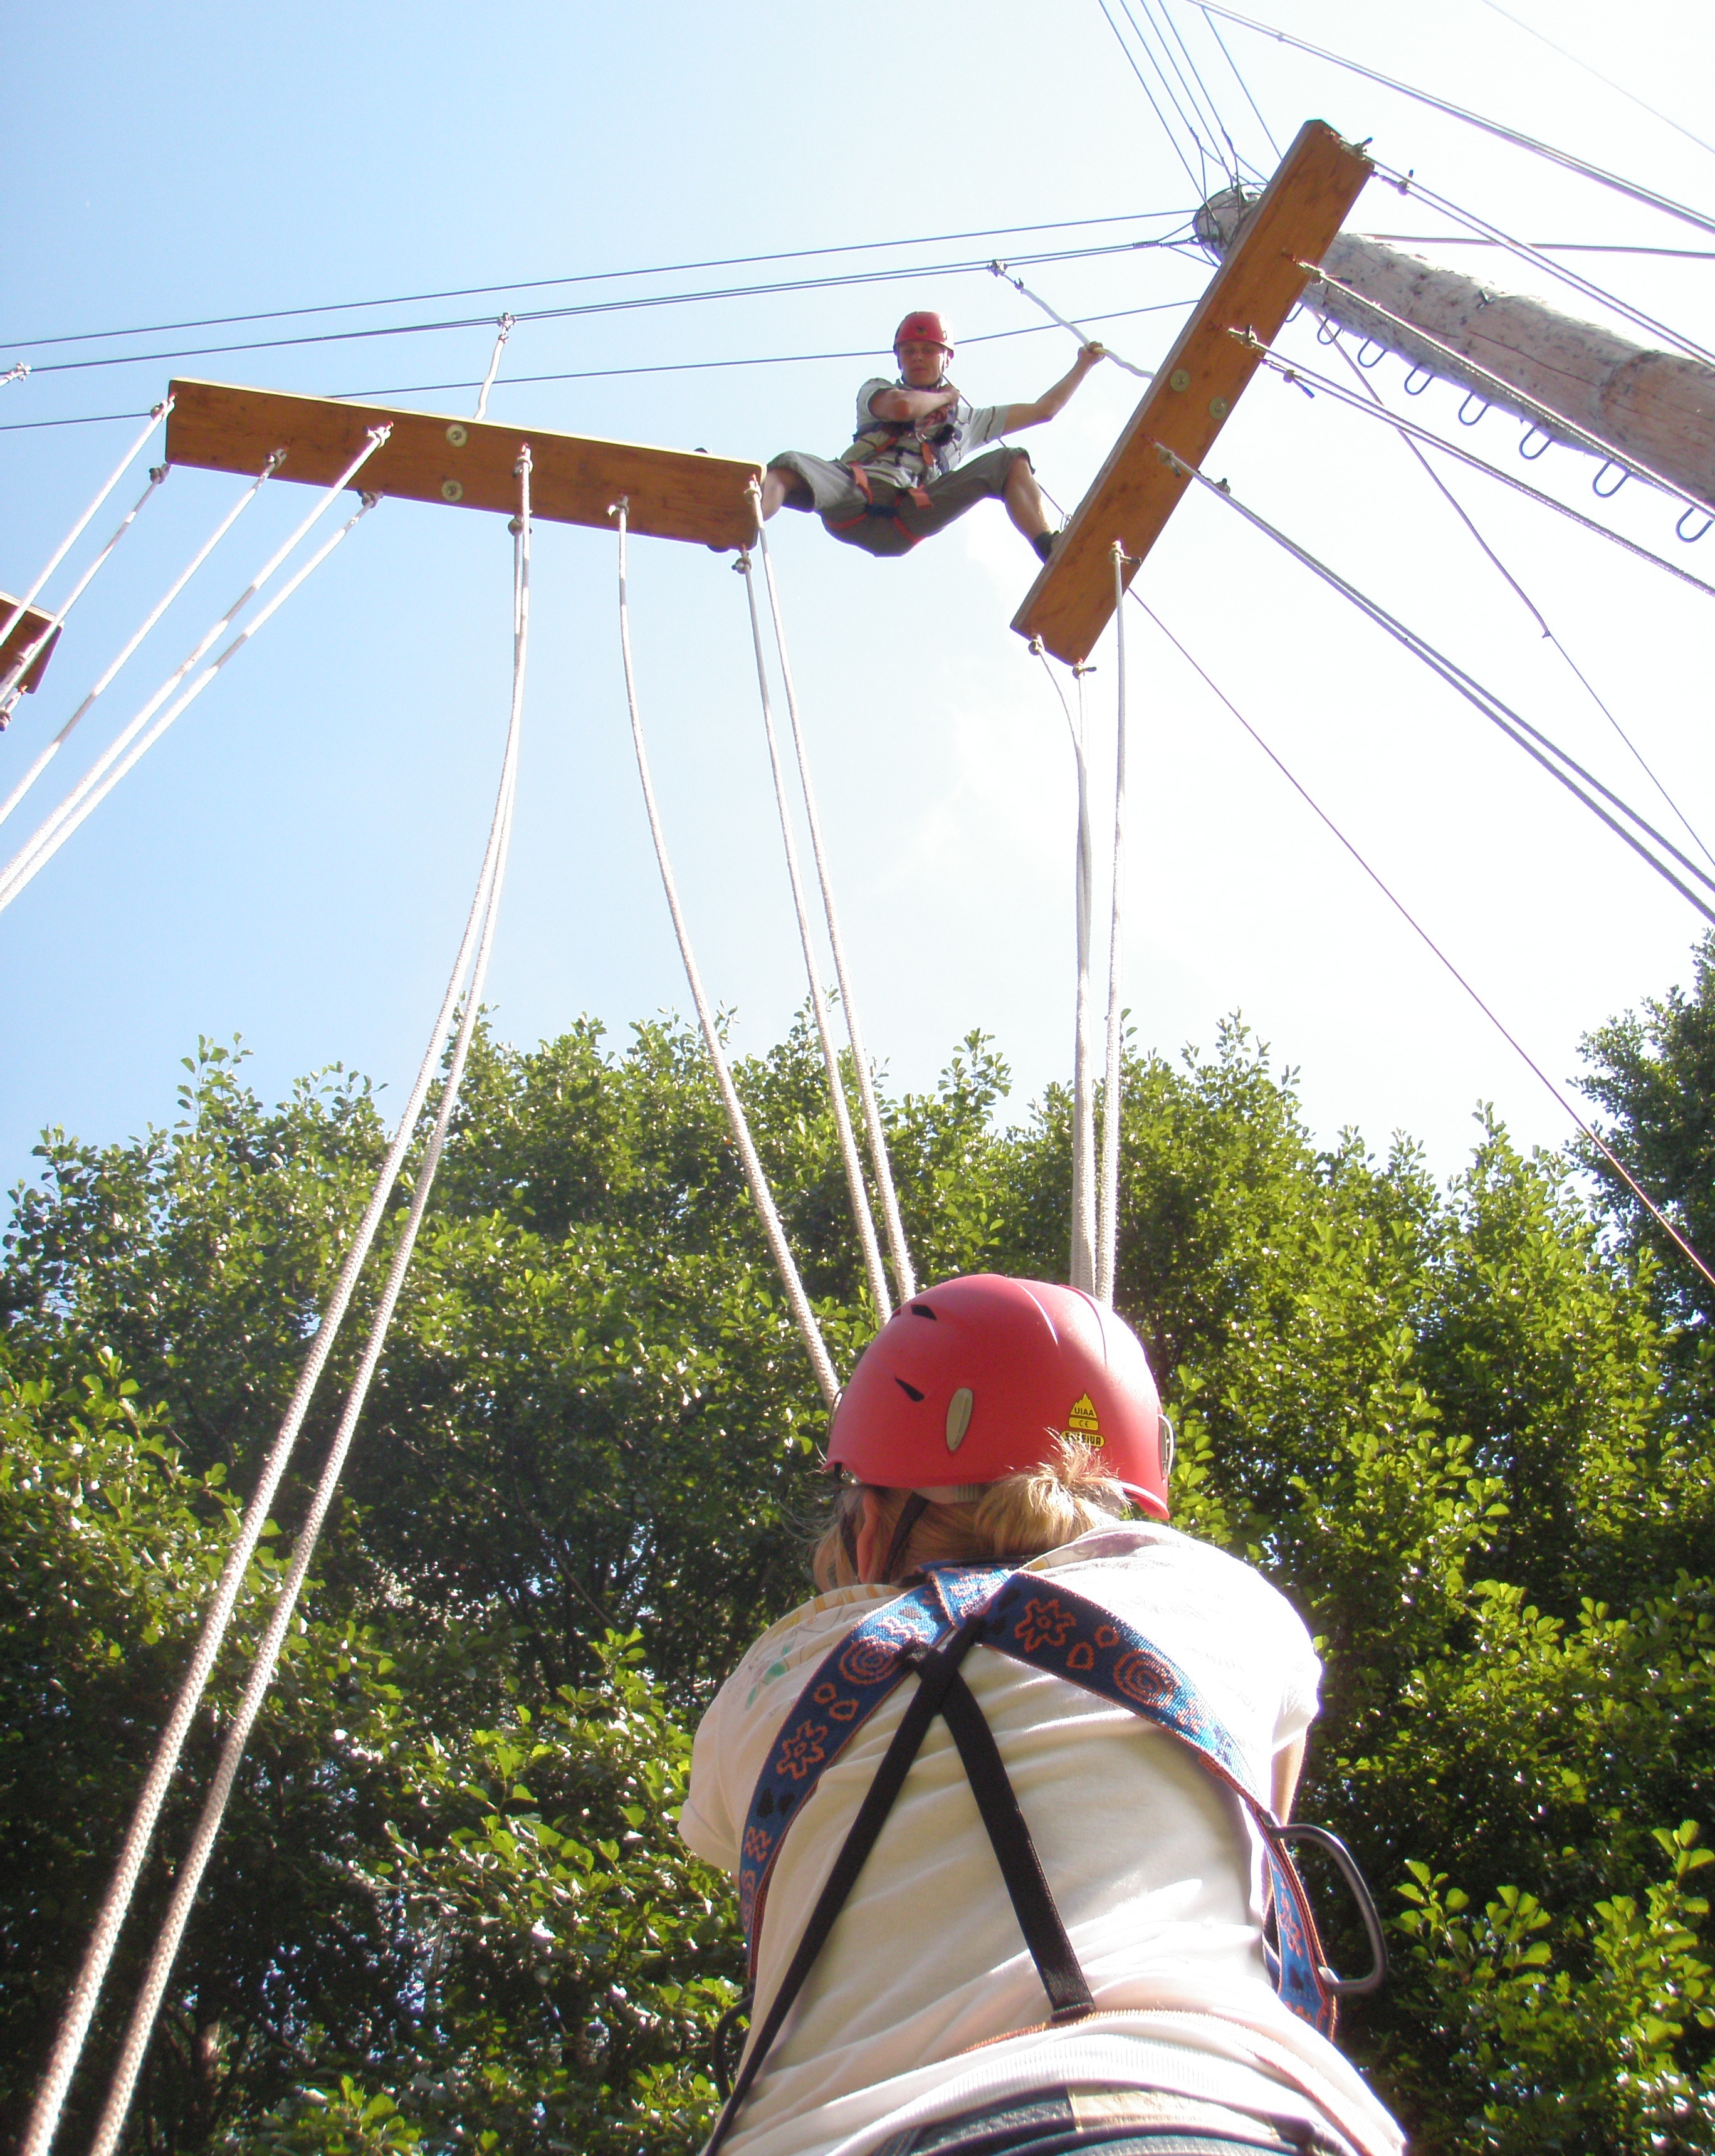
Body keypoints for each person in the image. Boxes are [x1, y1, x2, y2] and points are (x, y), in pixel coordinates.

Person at [679, 1274, 1406, 2156]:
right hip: (1200, 2110)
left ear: (871, 1524)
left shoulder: (775, 1674)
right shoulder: (1225, 1602)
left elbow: (763, 1885)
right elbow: (1260, 1819)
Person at [757, 314, 1105, 562]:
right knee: (788, 465)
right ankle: (743, 518)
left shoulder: (970, 421)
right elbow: (902, 406)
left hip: (912, 509)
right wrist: (945, 398)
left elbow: (1044, 410)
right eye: (909, 351)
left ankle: (1049, 548)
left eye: (929, 350)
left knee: (1010, 461)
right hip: (855, 493)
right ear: (898, 359)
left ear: (947, 357)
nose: (918, 358)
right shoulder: (876, 391)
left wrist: (1083, 366)